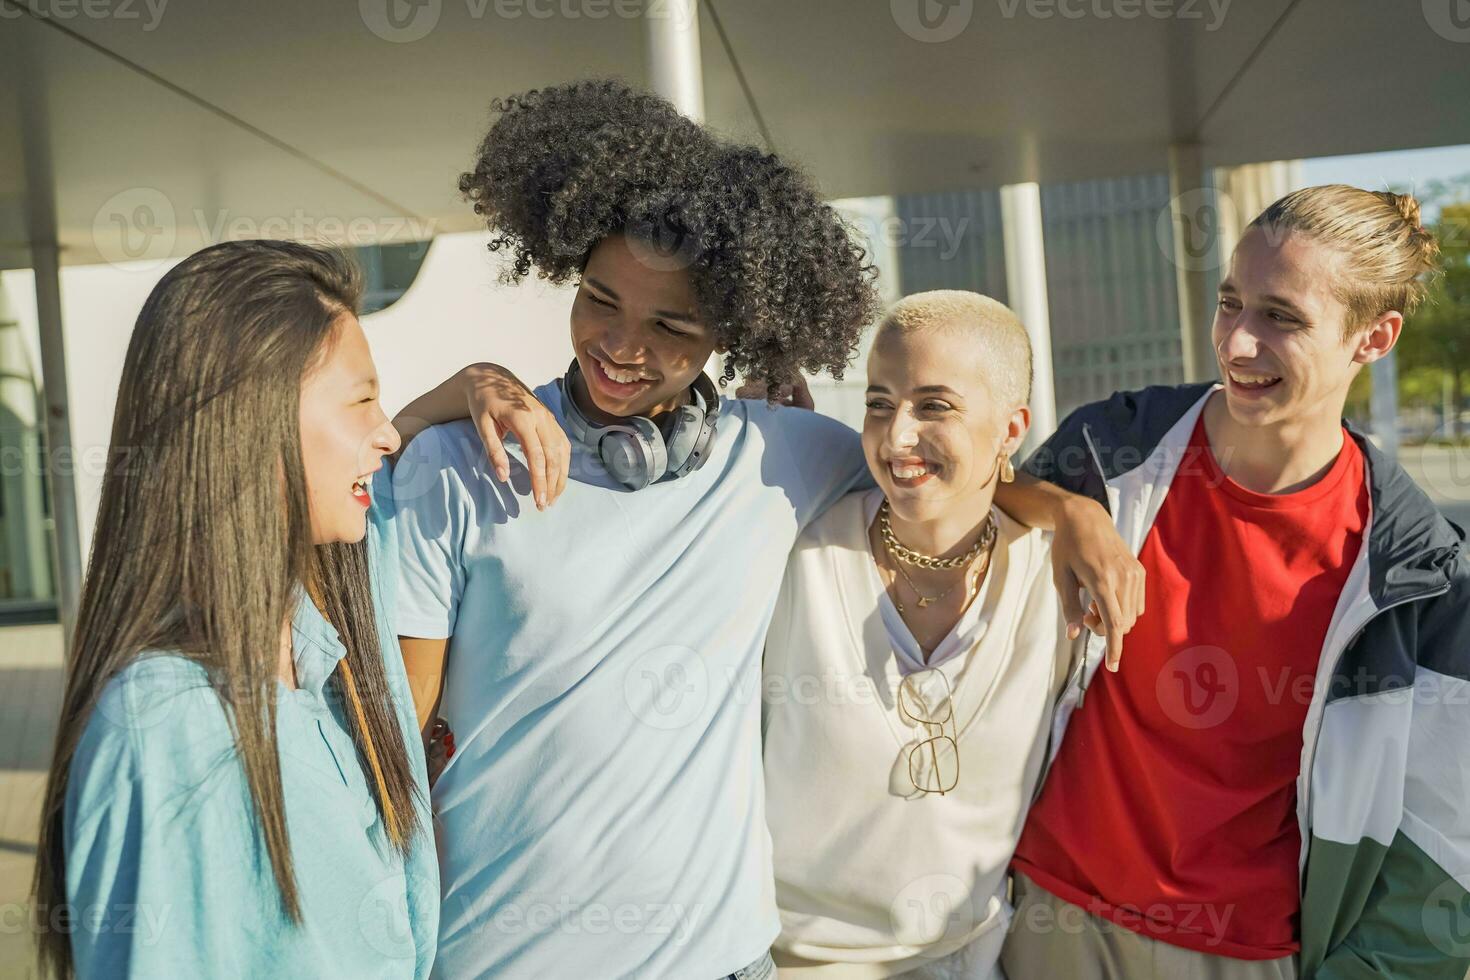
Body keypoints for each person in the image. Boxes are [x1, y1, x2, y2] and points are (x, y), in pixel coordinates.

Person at [391, 81, 1139, 979]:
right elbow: (390, 744)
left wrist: (1070, 511)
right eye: (599, 299)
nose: (621, 346)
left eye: (671, 325)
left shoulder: (781, 459)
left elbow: (939, 476)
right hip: (495, 957)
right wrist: (433, 404)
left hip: (724, 961)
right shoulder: (459, 463)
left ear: (730, 331)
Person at [1000, 185, 1470, 980]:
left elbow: (1443, 842)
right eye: (1230, 303)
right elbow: (968, 505)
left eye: (1281, 317)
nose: (1238, 343)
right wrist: (1061, 511)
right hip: (1056, 916)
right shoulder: (1113, 447)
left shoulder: (1420, 572)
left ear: (1374, 337)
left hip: (1250, 954)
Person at [30, 241, 438, 979]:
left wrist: (473, 389)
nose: (387, 431)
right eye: (361, 400)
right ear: (255, 418)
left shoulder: (324, 636)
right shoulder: (164, 728)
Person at [763, 291, 1079, 979]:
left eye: (934, 406)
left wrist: (1074, 513)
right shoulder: (791, 555)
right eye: (879, 403)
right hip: (785, 965)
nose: (896, 435)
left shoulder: (1057, 584)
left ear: (1011, 428)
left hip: (973, 963)